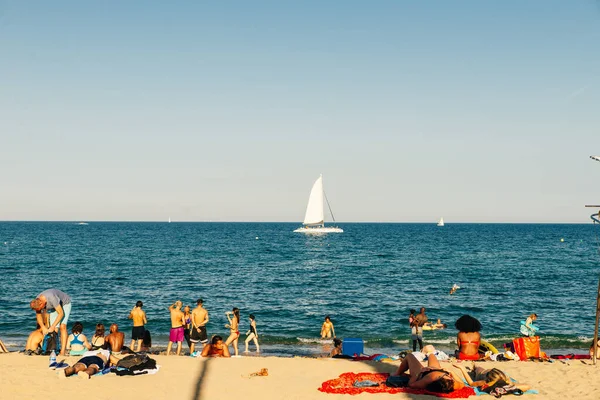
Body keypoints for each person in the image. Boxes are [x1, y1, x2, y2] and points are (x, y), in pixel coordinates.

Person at [391, 352, 464, 393]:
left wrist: (418, 373)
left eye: (448, 376)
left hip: (423, 373)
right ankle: (424, 353)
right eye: (448, 376)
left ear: (439, 378)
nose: (451, 377)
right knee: (431, 355)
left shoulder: (427, 380)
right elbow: (462, 384)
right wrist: (451, 372)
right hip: (436, 369)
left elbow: (411, 384)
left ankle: (397, 373)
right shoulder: (452, 384)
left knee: (409, 356)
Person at [30, 289, 72, 356]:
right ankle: (54, 349)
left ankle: (63, 351)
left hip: (65, 303)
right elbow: (38, 316)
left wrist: (52, 326)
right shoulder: (37, 302)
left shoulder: (52, 298)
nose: (41, 310)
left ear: (41, 303)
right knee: (54, 330)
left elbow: (61, 314)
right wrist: (43, 327)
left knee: (62, 326)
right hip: (54, 307)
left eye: (41, 308)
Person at [451, 363, 531, 392]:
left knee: (479, 368)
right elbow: (471, 383)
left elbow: (527, 386)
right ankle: (474, 365)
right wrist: (462, 369)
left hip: (495, 373)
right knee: (477, 368)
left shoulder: (505, 379)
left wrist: (508, 387)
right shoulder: (484, 381)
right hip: (482, 373)